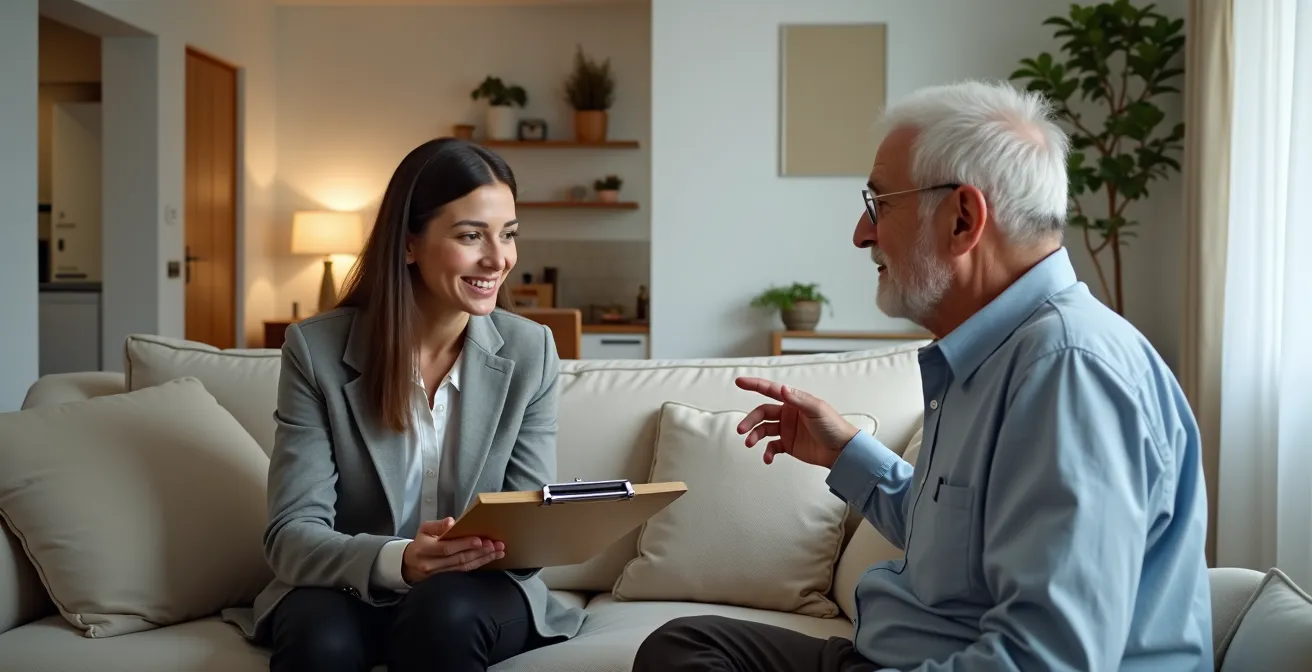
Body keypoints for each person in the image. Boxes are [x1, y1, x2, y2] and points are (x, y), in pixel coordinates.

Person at [633, 80, 1213, 671]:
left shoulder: (1068, 371)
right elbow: (957, 543)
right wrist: (844, 453)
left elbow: (1045, 661)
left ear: (963, 219)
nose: (861, 234)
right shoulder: (994, 353)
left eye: (879, 204)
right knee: (685, 645)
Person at [222, 138, 585, 672]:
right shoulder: (316, 351)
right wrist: (400, 560)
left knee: (442, 616)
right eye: (471, 236)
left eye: (508, 234)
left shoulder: (531, 351)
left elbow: (526, 536)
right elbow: (291, 536)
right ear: (409, 244)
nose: (499, 258)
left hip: (475, 591)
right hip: (349, 582)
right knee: (320, 643)